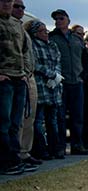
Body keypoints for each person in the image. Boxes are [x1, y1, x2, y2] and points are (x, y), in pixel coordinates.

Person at [49, 9, 88, 155]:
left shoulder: (77, 39)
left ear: (68, 20)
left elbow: (86, 60)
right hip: (60, 83)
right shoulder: (51, 38)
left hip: (77, 82)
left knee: (77, 116)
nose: (58, 21)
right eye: (56, 19)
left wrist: (83, 75)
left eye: (61, 18)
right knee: (59, 117)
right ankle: (60, 147)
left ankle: (77, 145)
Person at [0, 0, 30, 175]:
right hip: (4, 80)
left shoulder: (16, 24)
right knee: (2, 124)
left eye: (9, 2)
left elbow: (25, 51)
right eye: (3, 1)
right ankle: (5, 163)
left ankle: (14, 159)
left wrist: (24, 73)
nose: (7, 4)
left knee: (15, 124)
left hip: (19, 79)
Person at [27, 19, 62, 161]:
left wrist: (56, 76)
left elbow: (58, 61)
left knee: (52, 120)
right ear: (35, 33)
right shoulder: (32, 45)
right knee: (38, 121)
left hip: (54, 87)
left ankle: (55, 149)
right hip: (40, 86)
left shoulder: (52, 45)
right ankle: (41, 150)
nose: (46, 33)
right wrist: (51, 74)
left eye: (46, 30)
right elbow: (34, 63)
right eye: (42, 31)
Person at [12, 0, 40, 169]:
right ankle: (13, 155)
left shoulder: (23, 29)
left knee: (29, 117)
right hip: (14, 77)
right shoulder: (6, 26)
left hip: (29, 77)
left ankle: (24, 152)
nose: (21, 9)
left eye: (23, 7)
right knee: (16, 119)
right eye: (17, 6)